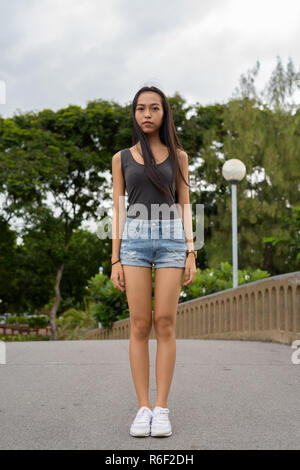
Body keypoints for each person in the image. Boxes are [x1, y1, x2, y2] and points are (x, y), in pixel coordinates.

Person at [110, 86, 197, 437]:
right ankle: (142, 406)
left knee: (165, 323)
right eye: (141, 109)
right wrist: (114, 257)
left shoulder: (178, 156)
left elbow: (186, 204)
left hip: (172, 239)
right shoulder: (122, 158)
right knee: (139, 324)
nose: (147, 114)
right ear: (134, 114)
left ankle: (162, 408)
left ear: (164, 114)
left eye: (154, 108)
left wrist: (192, 250)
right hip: (134, 242)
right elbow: (117, 208)